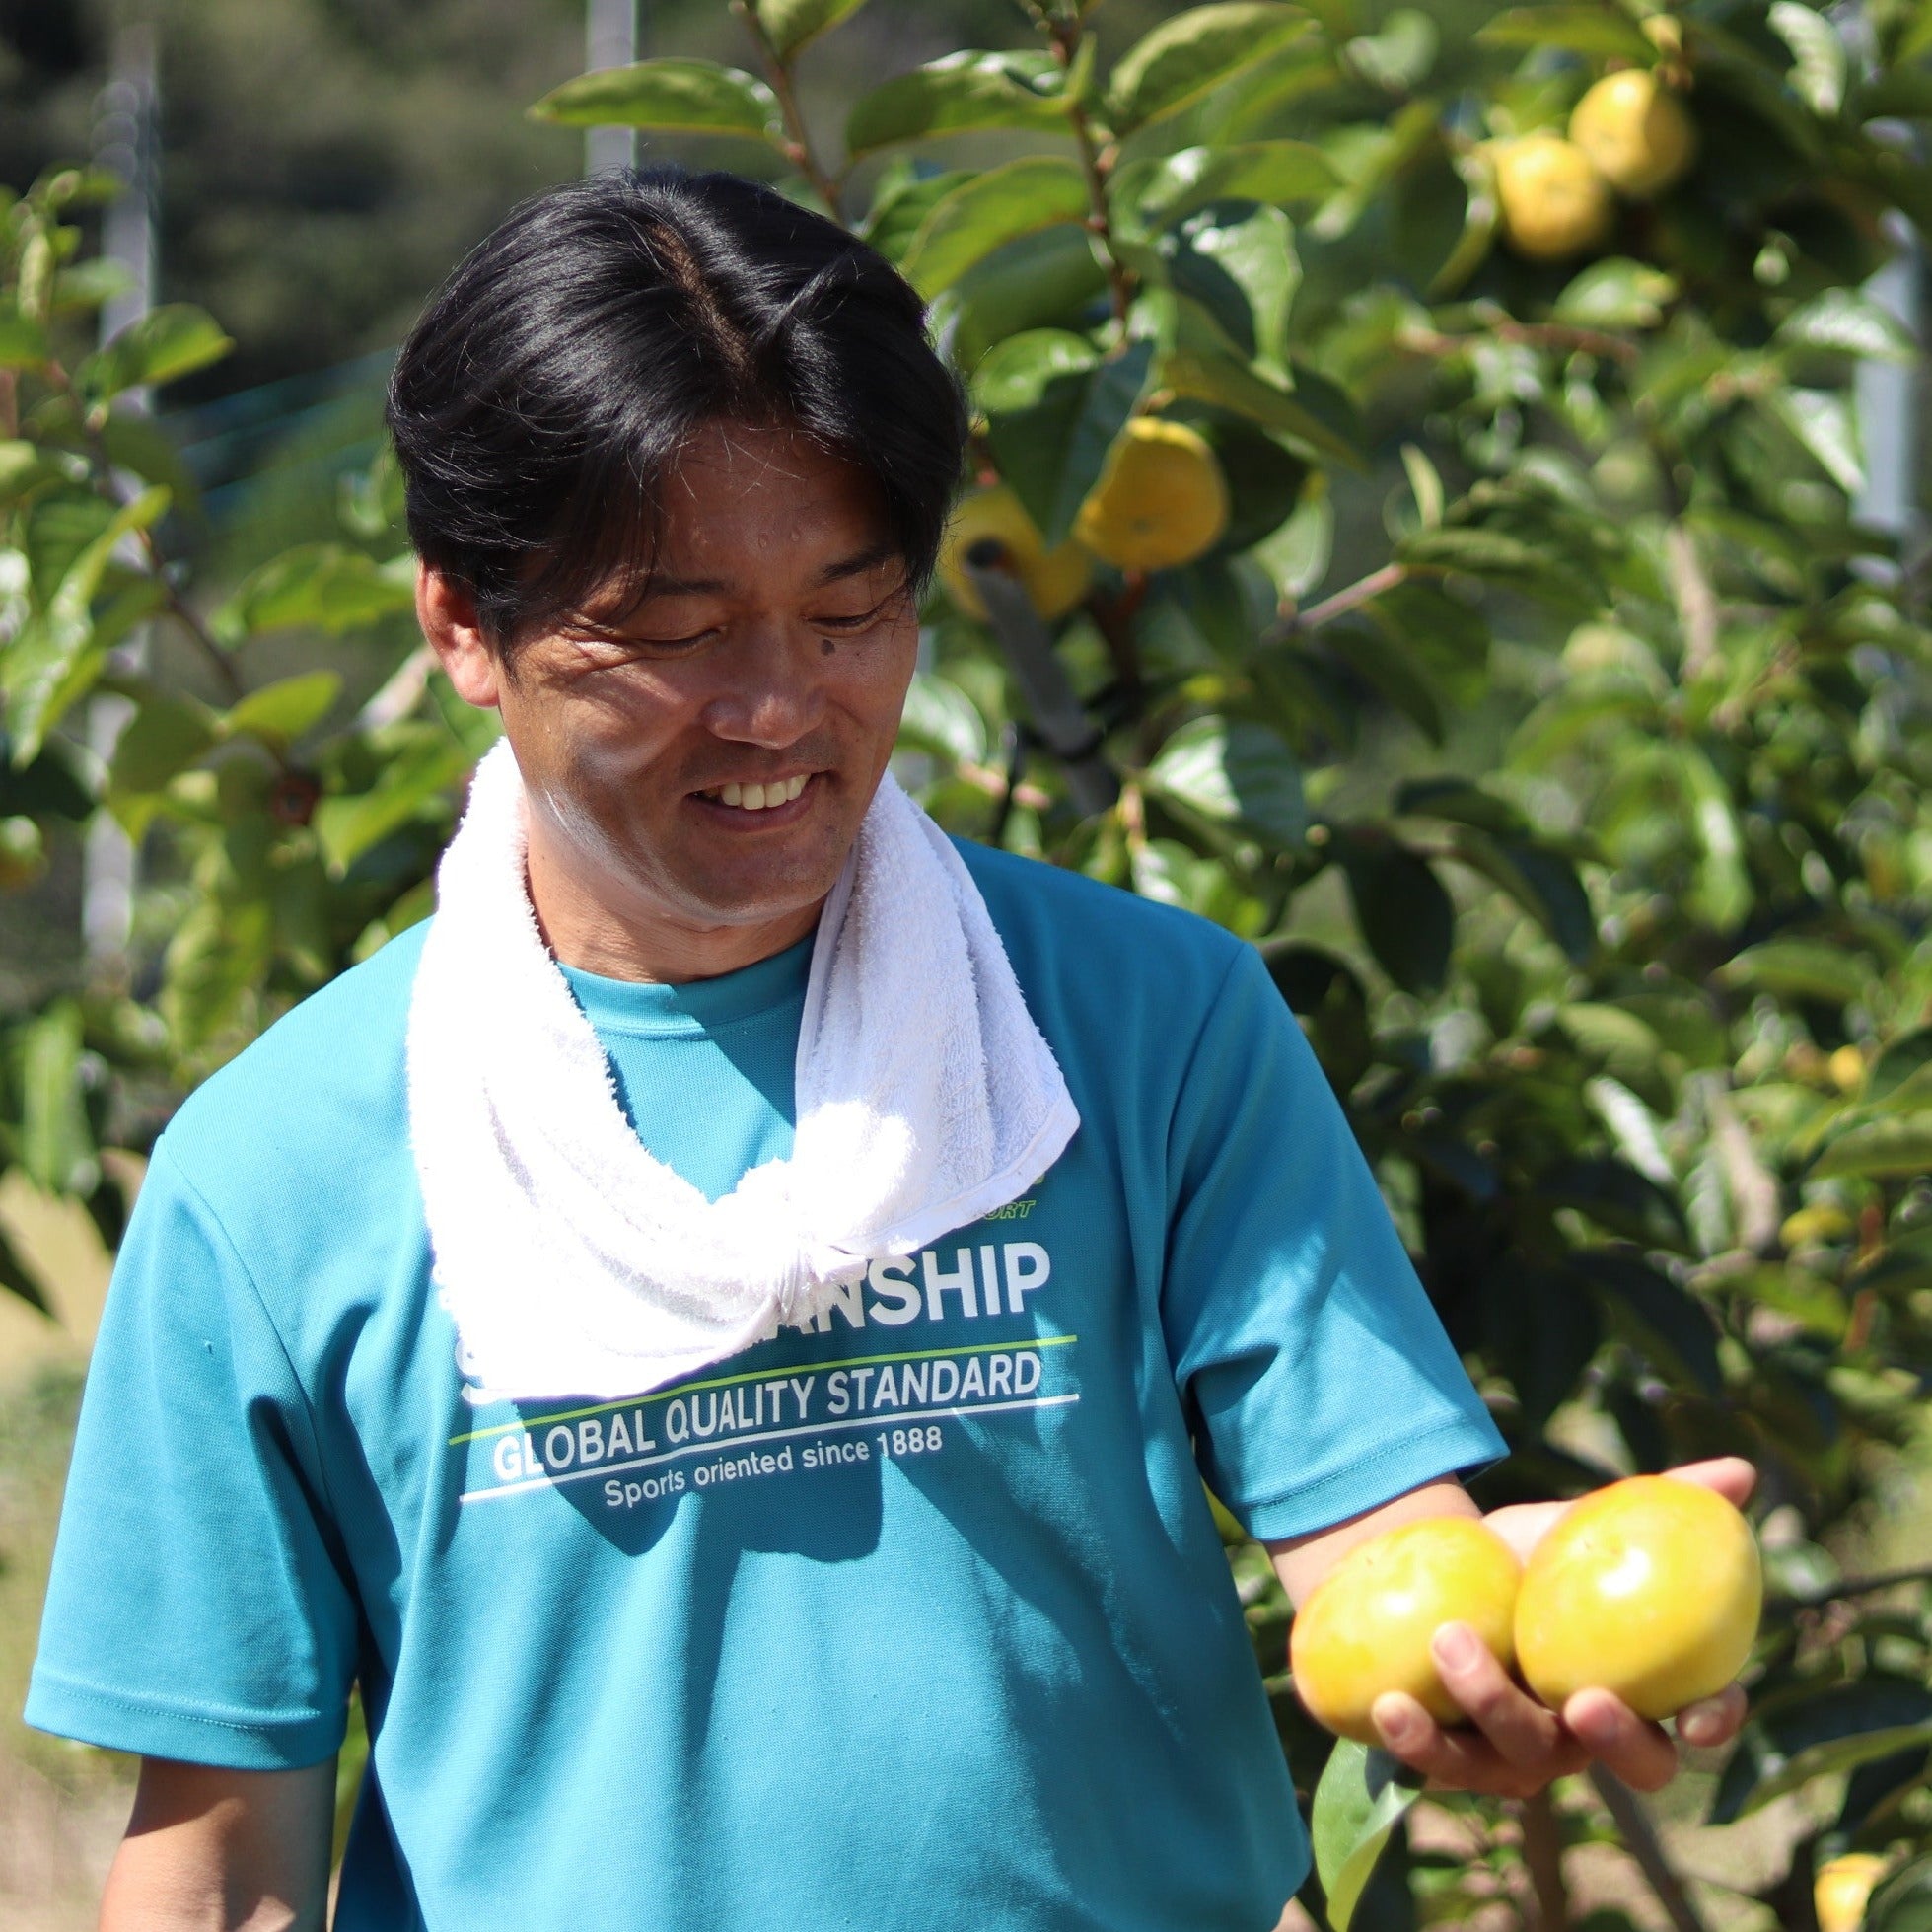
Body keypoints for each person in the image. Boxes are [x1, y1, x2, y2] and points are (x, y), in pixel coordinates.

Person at [28, 170, 1749, 1932]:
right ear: (466, 624)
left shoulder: (1145, 1024)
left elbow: (1379, 1553)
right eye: (679, 631)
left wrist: (1503, 1630)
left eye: (852, 614)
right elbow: (222, 1857)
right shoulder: (281, 1171)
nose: (780, 706)